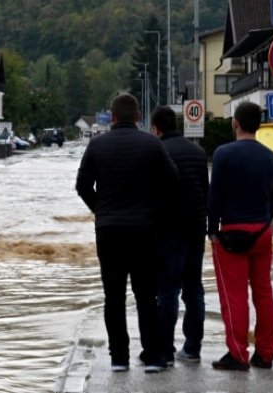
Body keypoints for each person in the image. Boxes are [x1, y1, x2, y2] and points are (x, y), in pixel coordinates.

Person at [76, 93, 178, 374]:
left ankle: (119, 357)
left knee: (114, 296)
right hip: (145, 230)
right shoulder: (152, 145)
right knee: (146, 295)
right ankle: (155, 357)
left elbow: (82, 185)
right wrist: (153, 208)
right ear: (137, 118)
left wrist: (101, 209)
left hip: (108, 231)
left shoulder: (97, 145)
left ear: (112, 117)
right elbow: (172, 181)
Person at [207, 101, 273, 371]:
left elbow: (214, 197)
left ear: (235, 123)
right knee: (264, 293)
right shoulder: (271, 157)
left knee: (234, 296)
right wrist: (264, 222)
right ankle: (266, 353)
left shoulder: (224, 154)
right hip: (262, 231)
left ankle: (238, 354)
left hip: (231, 233)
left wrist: (212, 230)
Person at [150, 106, 208, 365]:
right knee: (194, 290)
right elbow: (205, 192)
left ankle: (165, 350)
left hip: (167, 231)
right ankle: (193, 347)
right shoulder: (198, 152)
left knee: (167, 292)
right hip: (195, 229)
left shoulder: (157, 152)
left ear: (156, 129)